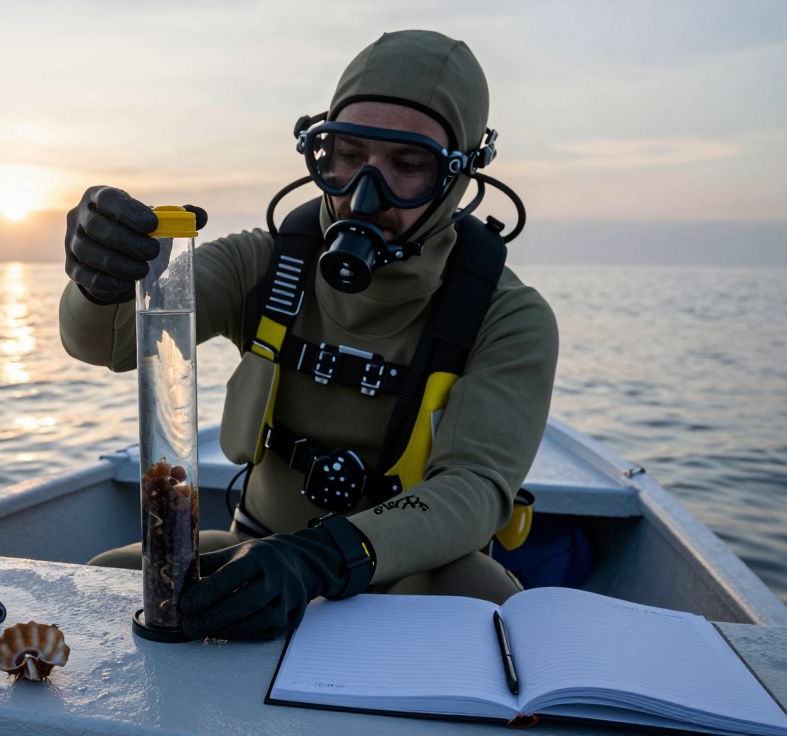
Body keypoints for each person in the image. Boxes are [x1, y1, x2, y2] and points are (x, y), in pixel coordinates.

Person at [59, 30, 557, 642]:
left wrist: (322, 557)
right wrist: (99, 279)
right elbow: (104, 345)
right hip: (257, 552)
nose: (364, 196)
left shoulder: (508, 316)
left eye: (407, 166)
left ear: (457, 176)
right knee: (103, 583)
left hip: (409, 576)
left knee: (487, 602)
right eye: (347, 155)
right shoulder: (263, 263)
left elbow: (474, 489)